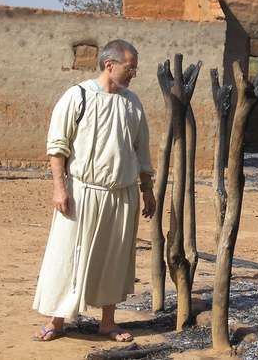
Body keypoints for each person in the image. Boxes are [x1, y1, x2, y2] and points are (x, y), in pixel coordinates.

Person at [32, 39, 156, 342]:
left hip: (121, 193)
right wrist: (59, 189)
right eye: (130, 67)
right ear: (109, 64)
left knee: (114, 257)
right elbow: (57, 147)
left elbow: (141, 151)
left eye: (135, 68)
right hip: (82, 192)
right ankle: (57, 321)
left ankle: (108, 322)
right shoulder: (77, 97)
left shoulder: (132, 102)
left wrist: (147, 189)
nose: (134, 73)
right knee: (69, 255)